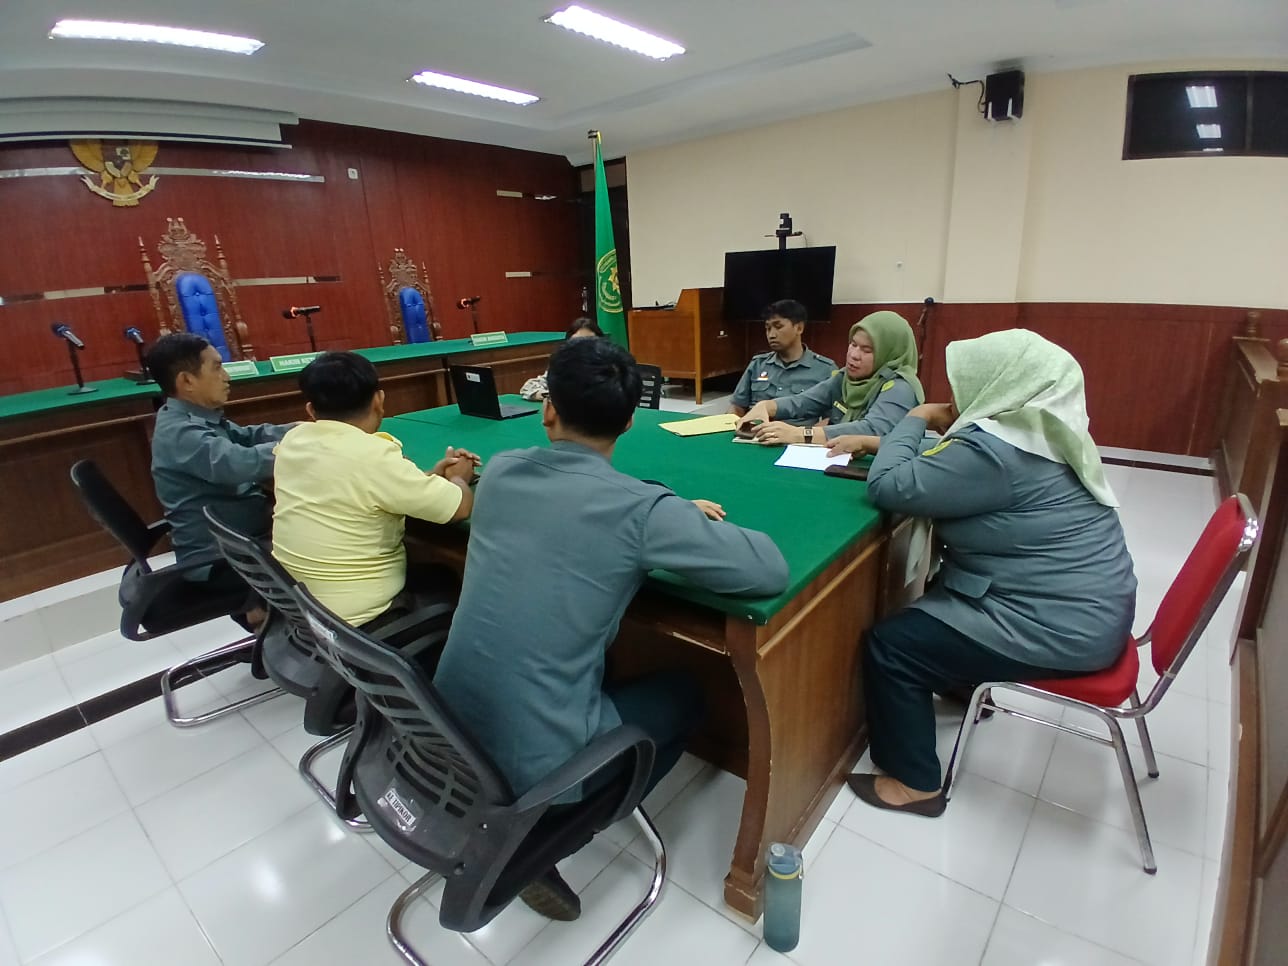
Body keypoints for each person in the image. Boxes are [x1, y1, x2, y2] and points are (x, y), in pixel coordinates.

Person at [433, 336, 789, 920]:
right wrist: (669, 512)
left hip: (442, 727)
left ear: (547, 410)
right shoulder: (640, 511)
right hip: (537, 762)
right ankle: (545, 843)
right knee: (686, 693)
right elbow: (767, 569)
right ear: (629, 422)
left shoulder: (500, 470)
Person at [848, 329, 1136, 816]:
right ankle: (964, 686)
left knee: (893, 646)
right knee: (937, 594)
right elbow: (947, 468)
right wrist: (894, 440)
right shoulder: (1043, 430)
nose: (955, 394)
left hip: (1058, 627)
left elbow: (891, 486)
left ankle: (914, 783)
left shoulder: (994, 452)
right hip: (1091, 610)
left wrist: (916, 417)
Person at [272, 352, 478, 629]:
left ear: (310, 410)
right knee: (452, 578)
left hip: (299, 602)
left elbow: (364, 488)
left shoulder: (294, 440)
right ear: (379, 400)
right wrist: (460, 477)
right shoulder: (373, 456)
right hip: (359, 619)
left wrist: (431, 477)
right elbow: (459, 508)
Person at [145, 333, 292, 619]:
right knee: (321, 554)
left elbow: (246, 437)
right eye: (217, 367)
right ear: (187, 381)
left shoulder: (192, 416)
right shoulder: (180, 432)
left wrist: (298, 430)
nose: (226, 376)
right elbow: (239, 463)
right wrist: (302, 447)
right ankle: (277, 623)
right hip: (219, 559)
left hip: (241, 542)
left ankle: (266, 616)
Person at [737, 310, 923, 447]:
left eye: (866, 350)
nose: (854, 355)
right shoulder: (845, 377)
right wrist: (766, 406)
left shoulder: (900, 387)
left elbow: (872, 429)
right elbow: (804, 401)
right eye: (853, 344)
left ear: (890, 354)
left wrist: (799, 434)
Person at [728, 300, 835, 423]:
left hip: (796, 433)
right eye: (768, 328)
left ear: (799, 328)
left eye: (778, 327)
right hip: (755, 431)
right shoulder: (758, 364)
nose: (771, 335)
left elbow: (831, 418)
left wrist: (807, 434)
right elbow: (737, 406)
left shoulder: (825, 369)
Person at [519, 317, 605, 400]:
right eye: (577, 342)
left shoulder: (608, 365)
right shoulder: (563, 366)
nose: (583, 346)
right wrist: (553, 396)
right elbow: (528, 387)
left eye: (589, 341)